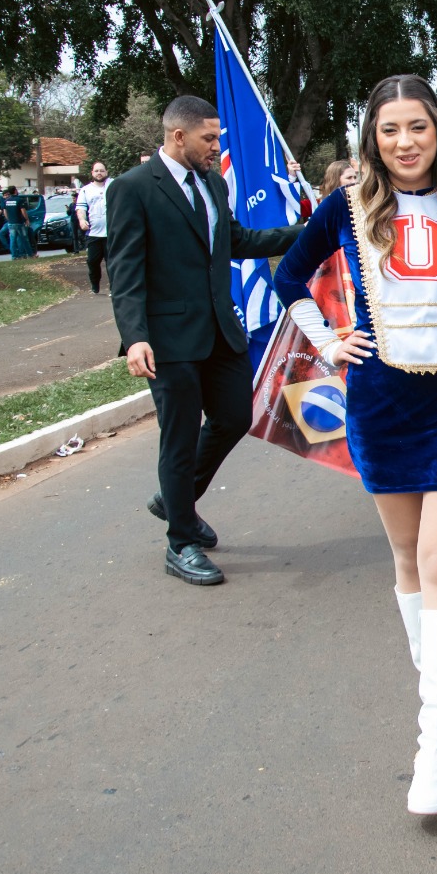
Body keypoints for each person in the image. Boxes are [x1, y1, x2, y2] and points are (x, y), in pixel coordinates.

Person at [275, 75, 437, 817]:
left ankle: (432, 740)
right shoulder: (347, 206)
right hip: (380, 405)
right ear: (372, 140)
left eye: (418, 127)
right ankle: (435, 697)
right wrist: (327, 340)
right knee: (408, 560)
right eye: (390, 130)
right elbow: (289, 275)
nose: (405, 142)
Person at [105, 95, 301, 587]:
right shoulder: (133, 188)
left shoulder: (213, 184)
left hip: (219, 331)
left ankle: (176, 499)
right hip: (168, 340)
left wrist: (305, 232)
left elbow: (239, 241)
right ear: (179, 137)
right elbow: (125, 272)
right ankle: (181, 541)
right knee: (178, 437)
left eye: (217, 138)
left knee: (234, 417)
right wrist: (135, 338)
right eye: (208, 138)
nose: (216, 146)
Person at [79, 162, 112, 294]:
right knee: (92, 261)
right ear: (92, 173)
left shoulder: (113, 186)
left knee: (112, 262)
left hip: (111, 233)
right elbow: (81, 208)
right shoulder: (85, 190)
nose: (99, 173)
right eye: (96, 171)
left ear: (106, 172)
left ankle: (114, 287)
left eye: (102, 171)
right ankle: (95, 285)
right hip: (93, 234)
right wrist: (82, 220)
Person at [0, 188, 30, 257]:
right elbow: (23, 211)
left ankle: (14, 256)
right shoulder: (19, 200)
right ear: (15, 191)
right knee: (22, 239)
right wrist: (26, 219)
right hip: (19, 222)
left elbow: (4, 212)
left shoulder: (6, 201)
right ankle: (24, 254)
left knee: (12, 240)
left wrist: (9, 220)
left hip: (10, 223)